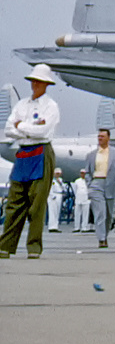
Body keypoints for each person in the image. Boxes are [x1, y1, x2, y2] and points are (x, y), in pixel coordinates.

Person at [2, 65, 61, 258]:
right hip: (23, 153)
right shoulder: (22, 105)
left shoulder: (51, 106)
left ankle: (34, 247)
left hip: (41, 152)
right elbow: (8, 129)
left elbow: (42, 132)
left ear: (46, 84)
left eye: (39, 81)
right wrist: (29, 128)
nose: (35, 84)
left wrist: (21, 126)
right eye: (33, 81)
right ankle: (5, 245)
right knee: (14, 200)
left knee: (37, 204)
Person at [82, 128, 115, 249]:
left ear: (108, 138)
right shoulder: (91, 155)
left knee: (109, 214)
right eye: (99, 136)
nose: (100, 138)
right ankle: (101, 239)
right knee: (100, 213)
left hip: (111, 184)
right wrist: (89, 184)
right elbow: (87, 172)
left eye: (102, 136)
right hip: (96, 183)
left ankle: (104, 235)